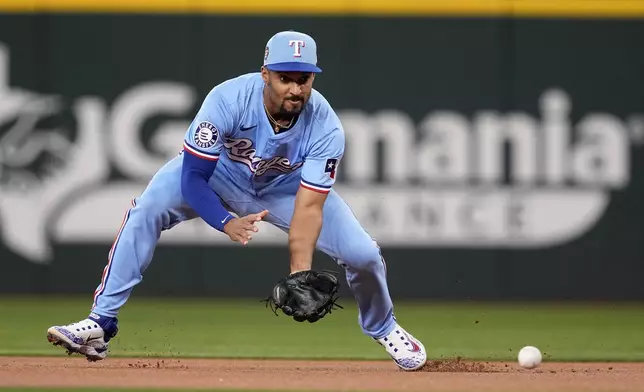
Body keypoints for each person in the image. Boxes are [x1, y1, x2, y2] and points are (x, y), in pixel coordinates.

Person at [46, 30, 427, 371]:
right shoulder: (228, 99)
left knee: (363, 254)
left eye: (303, 78)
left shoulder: (325, 126)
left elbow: (309, 209)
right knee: (145, 210)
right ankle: (100, 323)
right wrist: (225, 221)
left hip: (285, 189)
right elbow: (193, 176)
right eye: (285, 78)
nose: (295, 88)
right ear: (265, 74)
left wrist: (299, 272)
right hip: (219, 177)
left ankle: (384, 326)